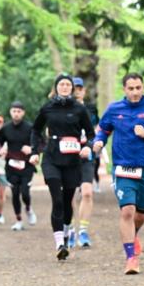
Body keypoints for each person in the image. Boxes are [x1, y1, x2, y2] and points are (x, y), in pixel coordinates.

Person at [92, 73, 144, 274]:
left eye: (138, 88)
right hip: (122, 168)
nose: (135, 92)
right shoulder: (114, 109)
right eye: (131, 88)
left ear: (143, 88)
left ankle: (132, 235)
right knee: (127, 210)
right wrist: (99, 142)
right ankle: (131, 258)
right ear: (124, 90)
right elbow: (102, 130)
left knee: (141, 215)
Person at [31, 74, 95, 261]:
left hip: (72, 161)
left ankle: (66, 233)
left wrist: (87, 147)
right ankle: (59, 243)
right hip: (51, 158)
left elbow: (91, 134)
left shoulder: (79, 109)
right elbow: (36, 130)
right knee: (57, 200)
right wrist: (35, 151)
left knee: (67, 201)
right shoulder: (48, 107)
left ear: (72, 88)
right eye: (62, 84)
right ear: (56, 87)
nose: (65, 87)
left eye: (68, 84)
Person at [0, 101, 37, 230]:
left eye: (19, 111)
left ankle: (28, 208)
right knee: (15, 193)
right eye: (14, 111)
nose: (16, 114)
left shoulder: (30, 128)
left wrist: (32, 148)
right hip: (11, 166)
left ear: (23, 113)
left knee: (25, 192)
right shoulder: (6, 128)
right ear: (10, 112)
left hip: (26, 166)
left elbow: (40, 142)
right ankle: (19, 220)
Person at [68, 76, 100, 248]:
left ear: (84, 91)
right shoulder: (63, 108)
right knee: (71, 195)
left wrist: (95, 144)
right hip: (69, 155)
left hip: (87, 154)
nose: (77, 91)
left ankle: (83, 231)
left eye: (80, 88)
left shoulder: (91, 109)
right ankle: (71, 230)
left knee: (87, 192)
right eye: (74, 88)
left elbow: (98, 130)